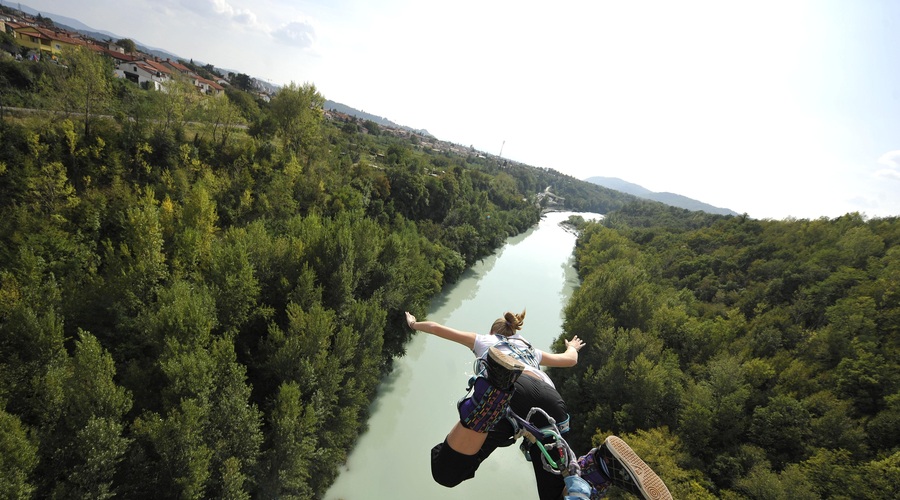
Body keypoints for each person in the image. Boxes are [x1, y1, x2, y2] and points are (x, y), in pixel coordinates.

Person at [405, 309, 672, 500]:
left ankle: (488, 400)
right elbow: (570, 361)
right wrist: (574, 347)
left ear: (493, 331)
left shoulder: (486, 341)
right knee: (557, 491)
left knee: (446, 472)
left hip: (512, 390)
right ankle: (598, 467)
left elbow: (440, 329)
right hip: (551, 401)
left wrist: (415, 324)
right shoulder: (530, 349)